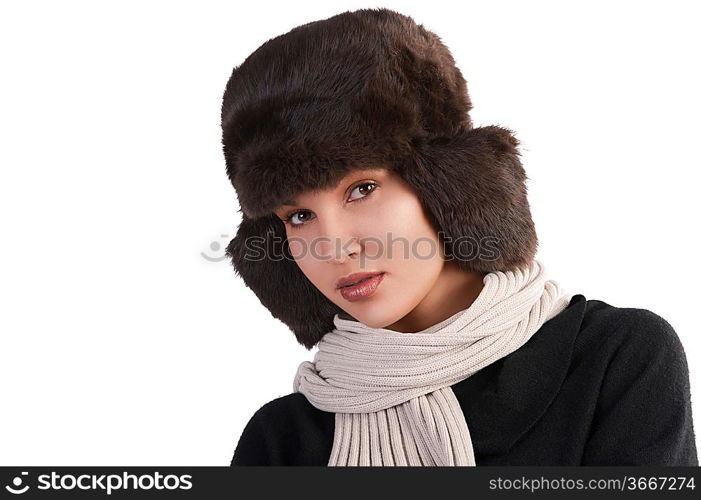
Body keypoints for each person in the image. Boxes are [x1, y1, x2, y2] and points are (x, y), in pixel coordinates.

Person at [220, 7, 698, 466]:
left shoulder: (613, 358)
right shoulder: (282, 438)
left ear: (450, 183)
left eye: (362, 189)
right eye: (299, 216)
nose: (333, 247)